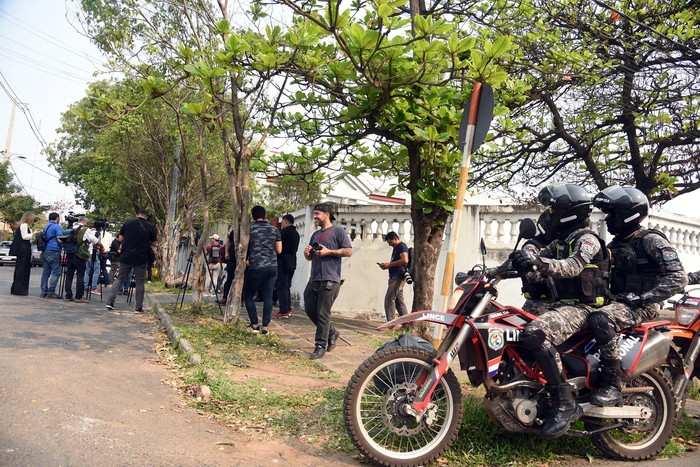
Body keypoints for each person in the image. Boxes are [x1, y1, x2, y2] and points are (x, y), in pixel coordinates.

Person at [513, 183, 610, 438]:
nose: (548, 213)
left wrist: (538, 262)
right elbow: (537, 265)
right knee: (512, 327)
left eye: (553, 208)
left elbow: (572, 266)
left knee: (537, 333)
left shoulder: (587, 239)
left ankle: (565, 402)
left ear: (569, 212)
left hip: (584, 308)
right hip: (560, 306)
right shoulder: (558, 242)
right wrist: (504, 269)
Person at [587, 186, 687, 407]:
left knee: (601, 320)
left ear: (627, 214)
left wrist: (644, 299)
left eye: (612, 213)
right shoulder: (615, 245)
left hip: (642, 307)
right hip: (618, 303)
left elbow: (679, 278)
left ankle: (611, 386)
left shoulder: (650, 240)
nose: (607, 219)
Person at [303, 203, 352, 359]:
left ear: (327, 214)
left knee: (323, 313)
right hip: (315, 279)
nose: (315, 216)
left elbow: (348, 251)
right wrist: (307, 254)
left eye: (317, 213)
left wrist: (329, 251)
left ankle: (319, 346)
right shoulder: (315, 235)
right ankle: (332, 332)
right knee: (310, 309)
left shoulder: (338, 231)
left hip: (331, 279)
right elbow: (310, 257)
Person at [106, 209, 157, 312]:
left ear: (137, 215)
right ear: (146, 216)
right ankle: (138, 307)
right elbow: (154, 243)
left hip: (126, 255)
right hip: (141, 257)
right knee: (139, 282)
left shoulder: (127, 223)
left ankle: (110, 302)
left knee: (120, 278)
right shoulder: (149, 226)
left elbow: (120, 239)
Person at [242, 206, 281, 335]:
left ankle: (254, 323)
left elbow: (243, 248)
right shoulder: (274, 230)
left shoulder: (249, 229)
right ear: (265, 215)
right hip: (272, 267)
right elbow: (279, 250)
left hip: (256, 267)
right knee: (268, 296)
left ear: (252, 216)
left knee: (248, 295)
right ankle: (265, 326)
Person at [520, 210, 555, 314]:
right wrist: (562, 271)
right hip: (539, 305)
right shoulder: (532, 246)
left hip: (559, 303)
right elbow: (533, 276)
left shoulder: (559, 246)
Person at [64, 218, 101, 303]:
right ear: (86, 223)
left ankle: (68, 295)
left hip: (70, 253)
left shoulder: (71, 227)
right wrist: (101, 247)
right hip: (79, 255)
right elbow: (94, 240)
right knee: (80, 275)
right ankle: (79, 296)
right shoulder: (85, 229)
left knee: (69, 275)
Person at [273, 214, 300, 319]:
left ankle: (284, 310)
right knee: (287, 285)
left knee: (281, 286)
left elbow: (276, 246)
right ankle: (287, 309)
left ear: (285, 221)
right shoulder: (296, 234)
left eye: (282, 222)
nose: (281, 224)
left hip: (283, 261)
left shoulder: (283, 233)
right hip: (292, 261)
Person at [378, 231, 409, 321]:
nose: (389, 244)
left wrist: (390, 265)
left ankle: (391, 324)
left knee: (389, 299)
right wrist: (387, 265)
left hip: (397, 276)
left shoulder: (401, 246)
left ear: (395, 239)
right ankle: (406, 322)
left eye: (390, 242)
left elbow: (405, 260)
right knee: (399, 302)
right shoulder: (396, 247)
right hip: (395, 276)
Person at [9, 211, 37, 296]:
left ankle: (17, 289)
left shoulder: (23, 226)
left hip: (22, 251)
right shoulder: (24, 225)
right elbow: (25, 237)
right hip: (23, 251)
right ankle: (20, 289)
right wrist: (34, 233)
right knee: (22, 270)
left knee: (20, 270)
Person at [40, 212, 64, 299]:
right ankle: (51, 292)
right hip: (54, 250)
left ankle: (43, 291)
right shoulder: (57, 227)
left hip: (46, 250)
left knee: (46, 272)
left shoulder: (46, 226)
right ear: (57, 218)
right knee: (55, 272)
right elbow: (59, 239)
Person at [217, 229, 237, 306]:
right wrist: (226, 252)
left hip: (243, 260)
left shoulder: (248, 230)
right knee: (229, 279)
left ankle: (241, 300)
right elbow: (228, 241)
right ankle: (225, 298)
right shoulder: (235, 231)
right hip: (232, 259)